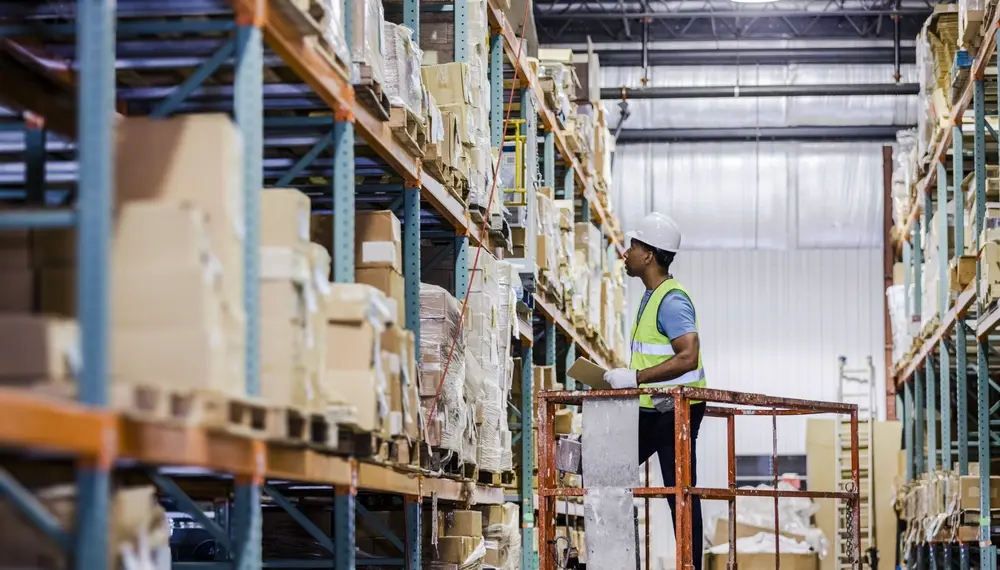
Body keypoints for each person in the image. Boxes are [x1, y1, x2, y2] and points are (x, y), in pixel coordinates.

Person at [603, 212, 707, 570]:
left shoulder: (671, 299)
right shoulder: (652, 296)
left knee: (680, 492)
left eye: (633, 246)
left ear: (649, 255)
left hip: (676, 411)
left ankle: (690, 564)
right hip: (655, 408)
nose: (625, 253)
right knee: (607, 469)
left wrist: (635, 379)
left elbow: (688, 356)